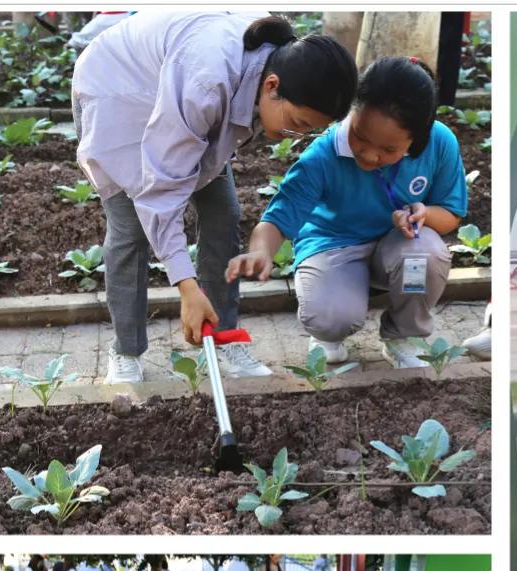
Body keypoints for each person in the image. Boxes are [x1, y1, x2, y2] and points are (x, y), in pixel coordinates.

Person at [72, 12, 358, 383]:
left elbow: (192, 142)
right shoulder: (206, 81)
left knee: (223, 212)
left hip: (175, 100)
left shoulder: (275, 62)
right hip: (120, 93)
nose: (294, 135)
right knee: (130, 229)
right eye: (298, 124)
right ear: (272, 85)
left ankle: (224, 337)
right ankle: (125, 350)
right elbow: (160, 191)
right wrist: (187, 289)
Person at [227, 55, 469, 369]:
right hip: (334, 245)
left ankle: (402, 336)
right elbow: (278, 216)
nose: (369, 155)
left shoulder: (440, 142)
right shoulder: (324, 153)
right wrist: (261, 252)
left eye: (388, 150)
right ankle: (328, 333)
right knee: (329, 318)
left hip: (398, 247)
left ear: (416, 140)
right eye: (361, 137)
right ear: (351, 112)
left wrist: (422, 212)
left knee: (427, 253)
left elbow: (451, 213)